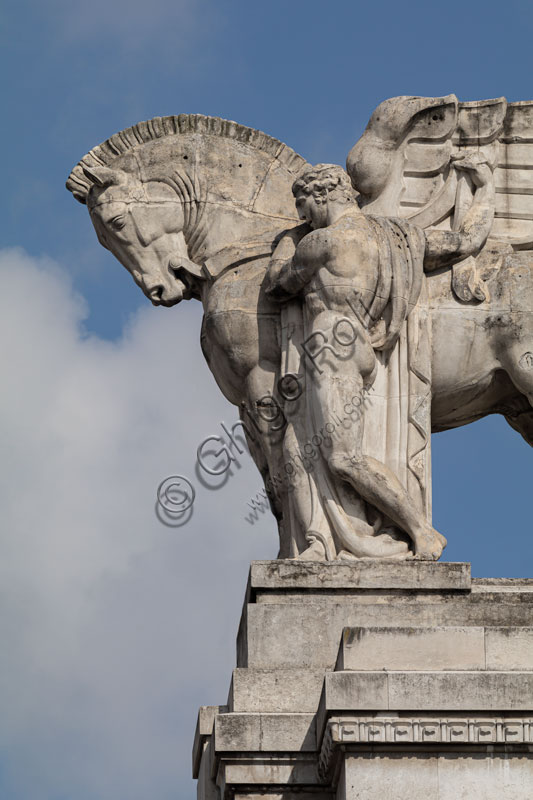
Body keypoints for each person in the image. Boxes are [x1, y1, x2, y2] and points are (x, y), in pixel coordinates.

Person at [266, 156, 493, 560]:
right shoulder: (402, 237)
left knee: (342, 458)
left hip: (330, 346)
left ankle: (422, 532)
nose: (303, 216)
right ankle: (320, 541)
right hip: (355, 347)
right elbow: (466, 242)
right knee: (297, 449)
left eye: (304, 207)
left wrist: (287, 239)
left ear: (321, 195)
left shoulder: (320, 242)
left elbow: (278, 285)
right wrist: (486, 187)